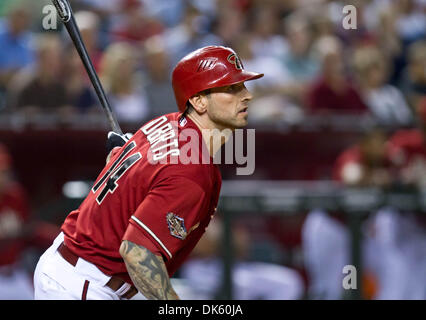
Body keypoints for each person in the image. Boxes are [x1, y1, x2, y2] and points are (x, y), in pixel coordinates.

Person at [33, 45, 264, 300]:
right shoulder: (191, 170)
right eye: (232, 88)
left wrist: (119, 155)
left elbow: (136, 172)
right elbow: (138, 253)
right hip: (85, 283)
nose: (246, 96)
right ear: (198, 101)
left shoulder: (168, 122)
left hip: (86, 269)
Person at [0, 140, 59, 299]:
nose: (4, 176)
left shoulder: (15, 197)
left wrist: (62, 237)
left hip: (14, 274)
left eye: (5, 171)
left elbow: (31, 229)